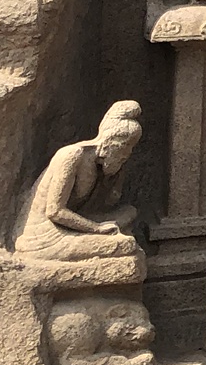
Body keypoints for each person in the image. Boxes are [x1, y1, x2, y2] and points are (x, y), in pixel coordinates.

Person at [16, 100, 143, 262]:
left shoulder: (99, 165)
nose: (127, 154)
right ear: (111, 143)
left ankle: (100, 235)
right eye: (125, 148)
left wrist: (115, 175)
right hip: (46, 237)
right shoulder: (72, 156)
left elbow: (107, 202)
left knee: (130, 211)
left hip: (74, 222)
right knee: (126, 244)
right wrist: (96, 228)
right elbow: (55, 211)